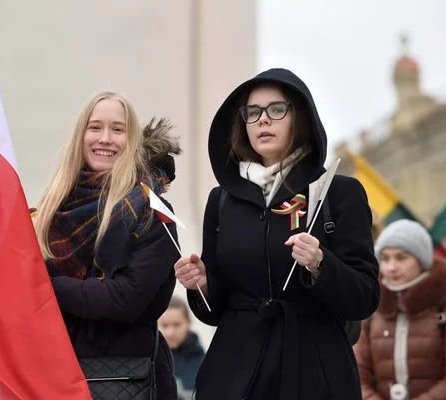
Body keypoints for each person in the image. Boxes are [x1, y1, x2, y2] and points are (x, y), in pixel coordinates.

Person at [174, 68, 381, 399]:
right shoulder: (222, 199)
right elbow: (214, 311)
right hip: (235, 375)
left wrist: (320, 264)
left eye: (276, 110)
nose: (262, 121)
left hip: (314, 372)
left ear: (300, 118)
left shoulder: (339, 192)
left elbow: (366, 296)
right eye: (252, 112)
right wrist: (200, 283)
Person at [32, 92, 182, 398]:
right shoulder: (49, 210)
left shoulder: (152, 209)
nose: (105, 139)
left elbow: (124, 298)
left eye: (118, 129)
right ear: (80, 136)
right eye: (95, 127)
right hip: (53, 376)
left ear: (133, 141)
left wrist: (43, 287)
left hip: (126, 379)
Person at [354, 219, 446, 400]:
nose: (391, 267)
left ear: (422, 260)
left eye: (401, 257)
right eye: (385, 258)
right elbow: (358, 374)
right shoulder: (372, 307)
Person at [159, 296, 205, 393]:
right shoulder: (148, 361)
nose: (170, 332)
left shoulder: (205, 363)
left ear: (188, 323)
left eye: (176, 325)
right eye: (164, 325)